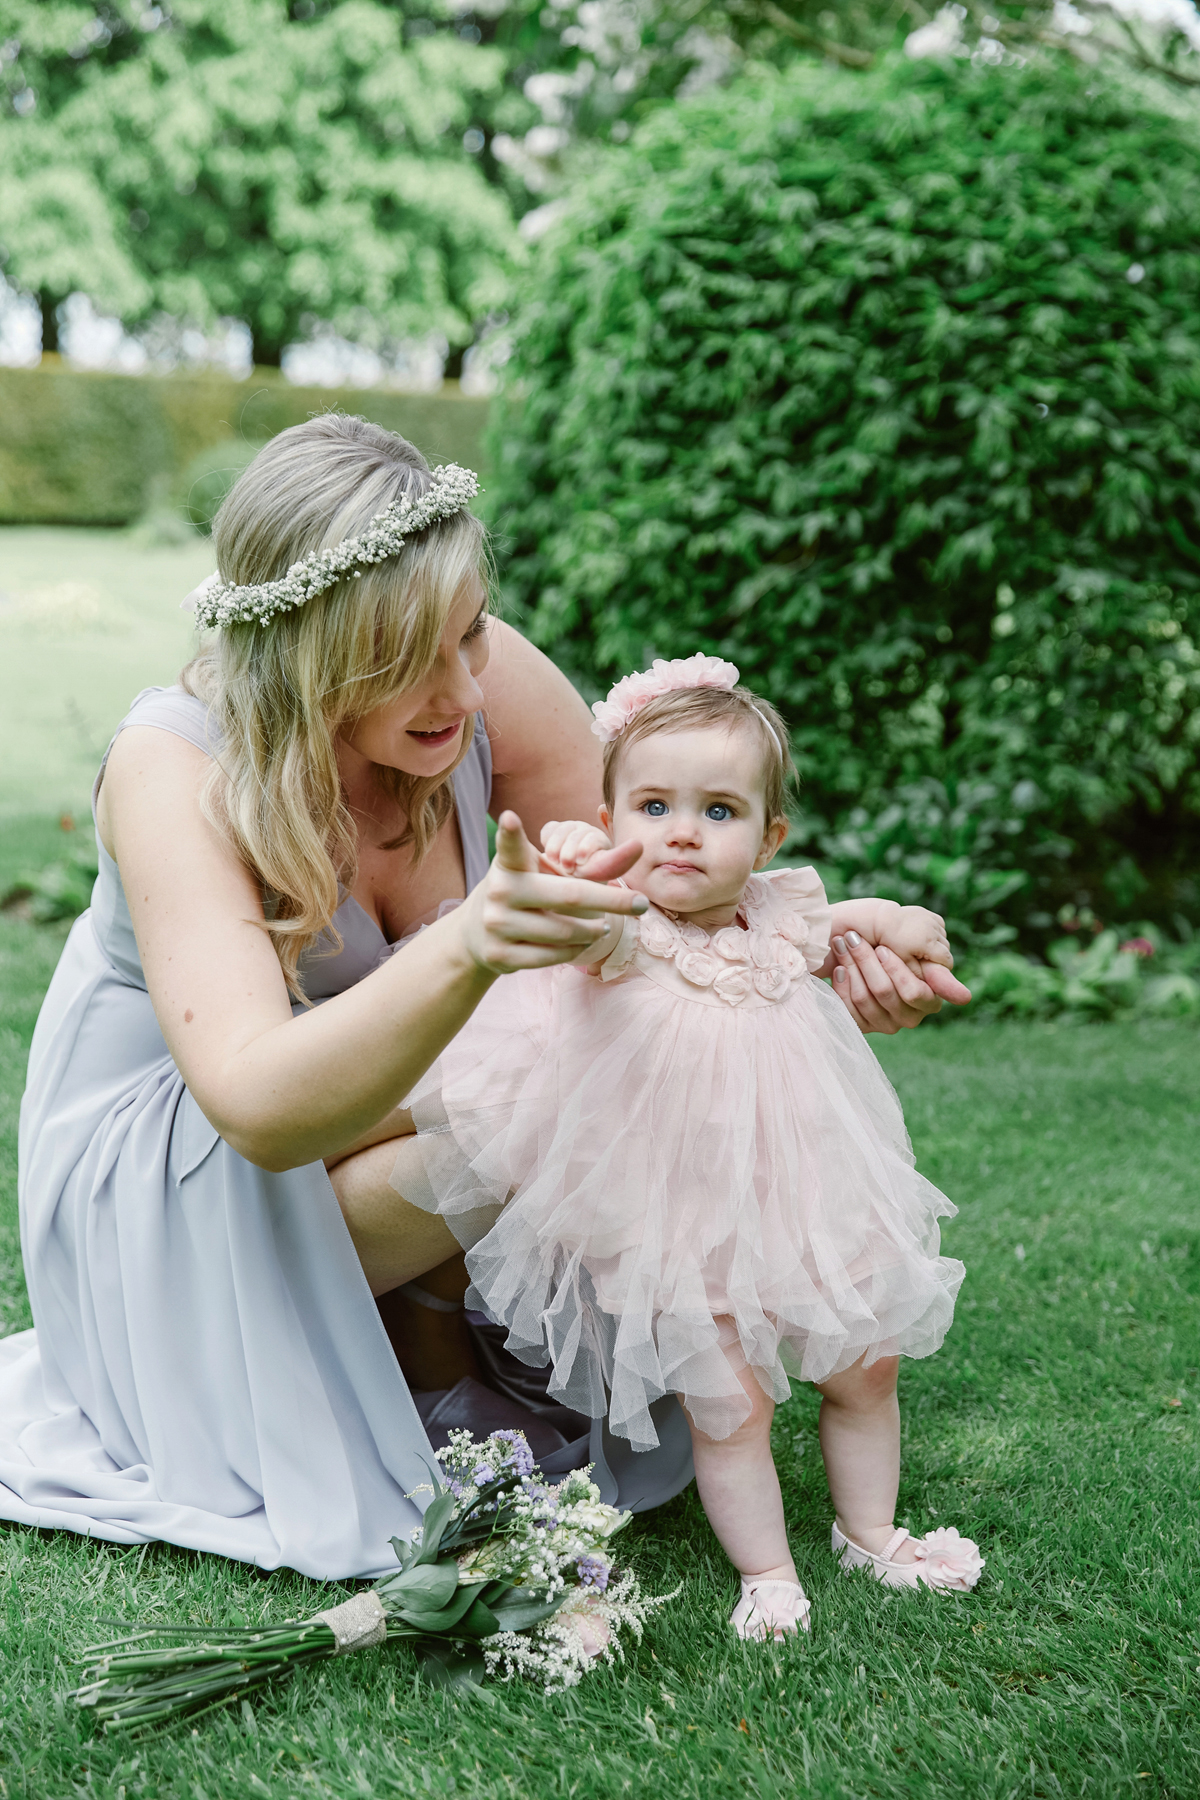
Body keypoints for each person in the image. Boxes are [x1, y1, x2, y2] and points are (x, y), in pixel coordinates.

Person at [0, 418, 963, 1582]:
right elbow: (255, 1108)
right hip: (185, 1170)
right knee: (550, 1074)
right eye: (420, 657)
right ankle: (422, 1357)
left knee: (590, 1051)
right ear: (313, 649)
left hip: (379, 1119)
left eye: (472, 634)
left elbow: (649, 898)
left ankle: (437, 1348)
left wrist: (816, 942)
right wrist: (471, 954)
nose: (469, 684)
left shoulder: (474, 672)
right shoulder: (177, 768)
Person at [398, 655, 983, 1638]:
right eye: (654, 805)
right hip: (685, 1217)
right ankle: (766, 1572)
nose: (681, 831)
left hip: (809, 1190)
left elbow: (851, 925)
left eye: (719, 811)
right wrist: (576, 886)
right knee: (731, 1401)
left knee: (867, 1362)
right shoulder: (622, 928)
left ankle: (871, 1531)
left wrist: (899, 919)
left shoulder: (782, 919)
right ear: (615, 817)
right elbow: (575, 929)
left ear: (769, 836)